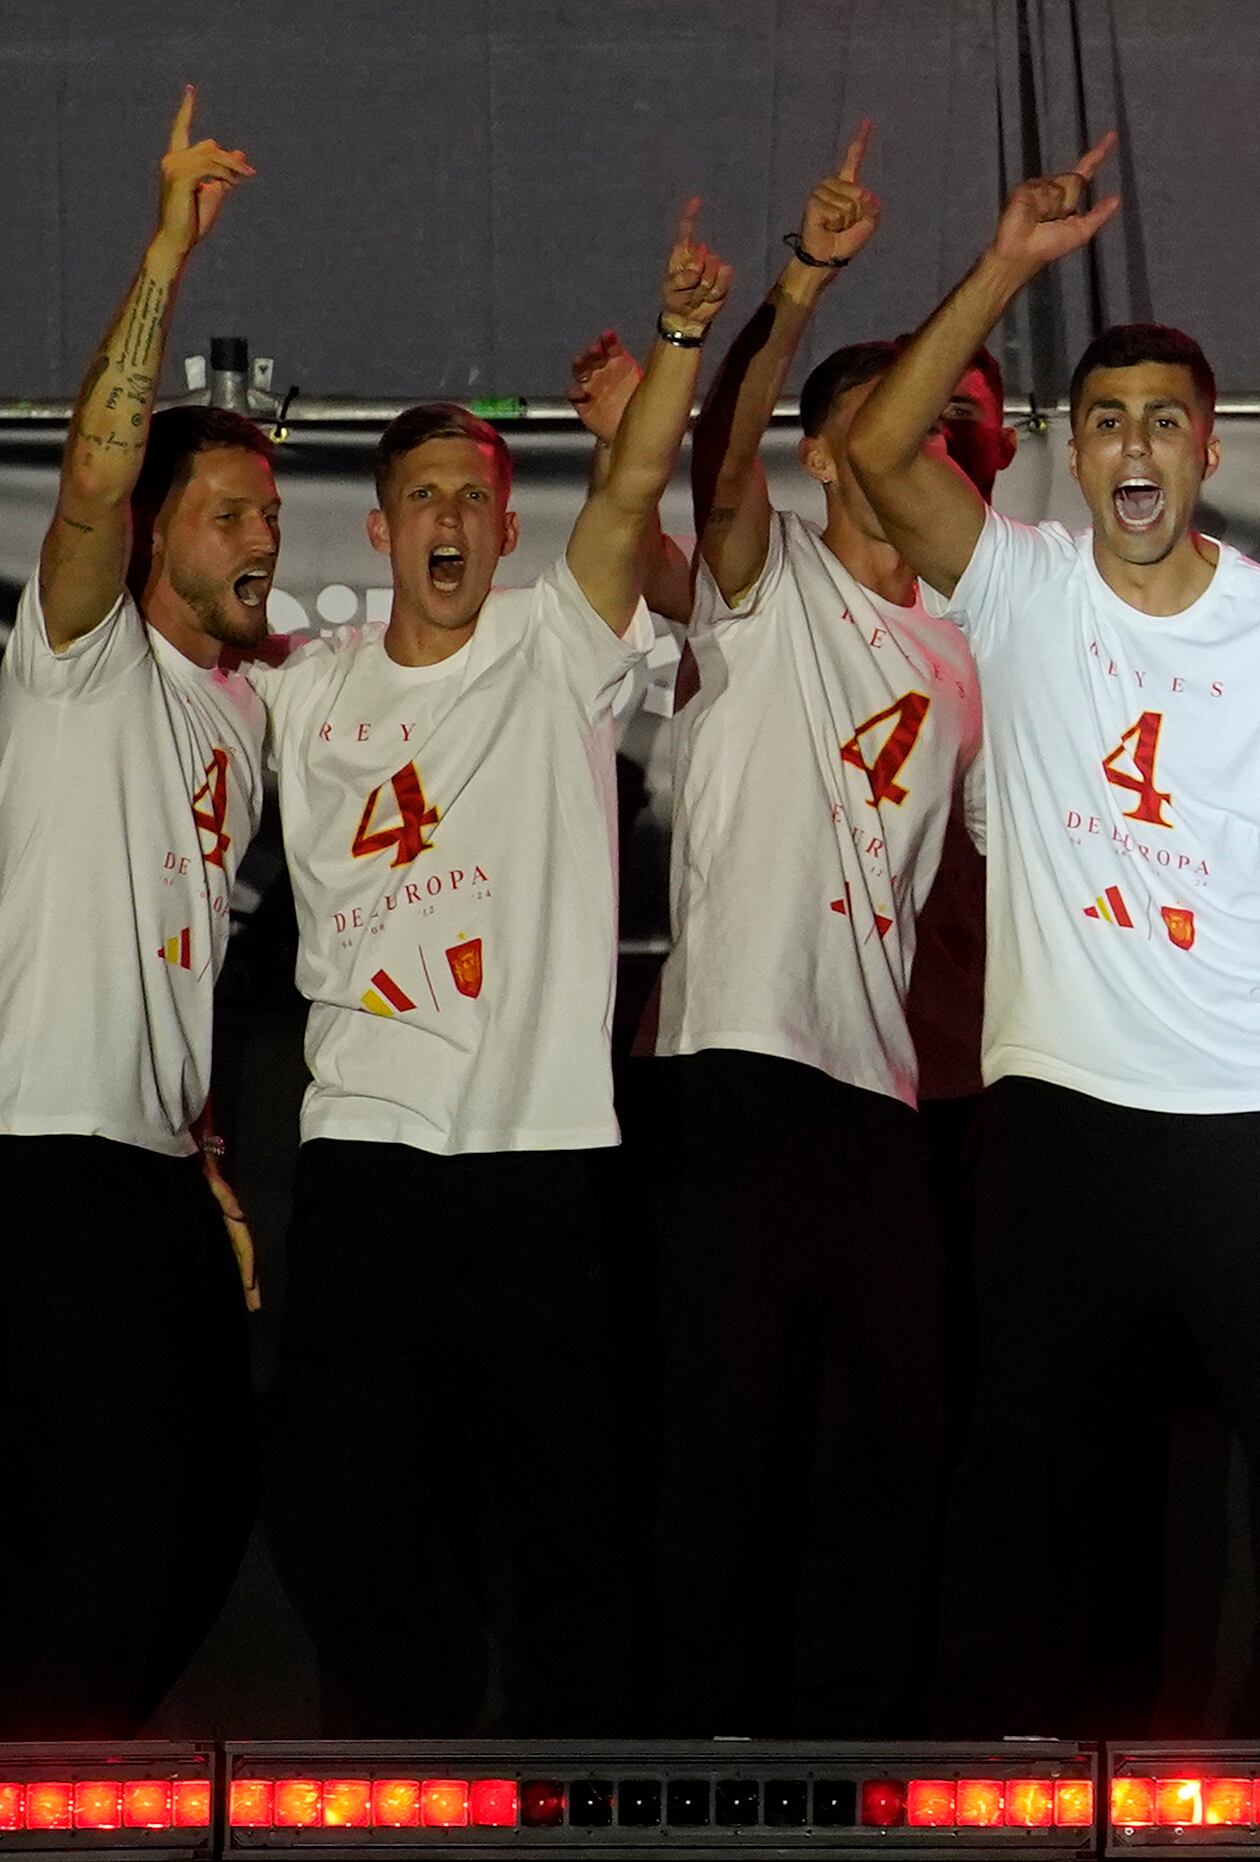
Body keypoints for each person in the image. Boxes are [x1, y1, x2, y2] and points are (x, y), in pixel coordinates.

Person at [843, 137, 1260, 1734]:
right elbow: (880, 445)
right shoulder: (1020, 582)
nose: (1133, 447)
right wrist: (1004, 272)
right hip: (1063, 1113)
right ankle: (1004, 1784)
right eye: (1104, 420)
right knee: (1026, 1476)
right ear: (1068, 445)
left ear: (1205, 449)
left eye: (1162, 423)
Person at [249, 203, 732, 1733]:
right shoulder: (302, 689)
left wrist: (674, 336)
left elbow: (640, 480)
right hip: (365, 1160)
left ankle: (575, 1809)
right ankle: (397, 1778)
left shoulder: (551, 644)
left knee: (567, 1534)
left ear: (507, 525)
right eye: (421, 498)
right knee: (342, 1519)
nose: (450, 518)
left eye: (474, 493)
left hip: (538, 1162)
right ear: (377, 530)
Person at [633, 128, 989, 1733]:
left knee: (896, 1442)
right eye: (895, 425)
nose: (936, 451)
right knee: (721, 1438)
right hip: (736, 1066)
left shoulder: (966, 653)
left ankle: (852, 1759)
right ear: (835, 456)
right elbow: (716, 453)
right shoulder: (763, 581)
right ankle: (696, 1766)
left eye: (958, 431)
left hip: (883, 1098)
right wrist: (799, 282)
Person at [0, 89, 266, 1737]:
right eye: (230, 512)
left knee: (215, 1497)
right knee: (94, 1530)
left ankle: (61, 1766)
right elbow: (92, 474)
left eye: (269, 511)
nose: (262, 535)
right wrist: (164, 251)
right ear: (153, 528)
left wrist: (215, 1149)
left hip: (161, 1165)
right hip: (41, 1155)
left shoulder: (240, 711)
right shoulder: (77, 656)